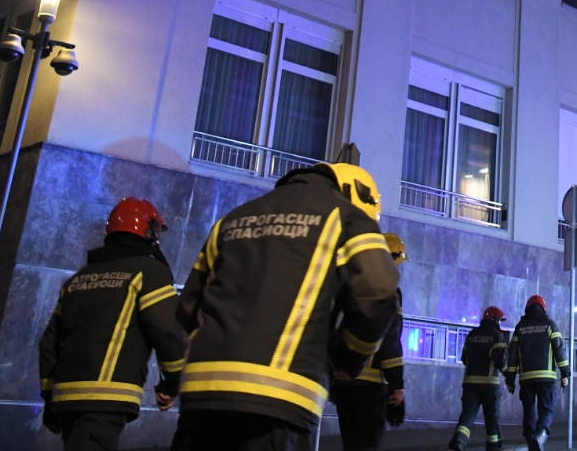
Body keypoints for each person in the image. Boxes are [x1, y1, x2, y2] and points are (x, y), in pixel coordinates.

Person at [173, 161, 400, 451]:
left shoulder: (232, 219)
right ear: (356, 194)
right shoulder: (347, 218)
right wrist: (348, 359)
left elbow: (188, 307)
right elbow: (378, 292)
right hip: (277, 394)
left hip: (202, 392)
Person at [38, 198, 189, 450]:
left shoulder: (78, 279)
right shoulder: (148, 271)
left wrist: (49, 400)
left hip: (66, 398)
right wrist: (172, 384)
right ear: (148, 231)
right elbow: (167, 330)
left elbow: (49, 344)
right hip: (104, 397)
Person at [327, 232, 407, 451]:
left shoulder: (349, 285)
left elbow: (332, 327)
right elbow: (389, 338)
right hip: (370, 386)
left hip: (344, 381)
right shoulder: (387, 290)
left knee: (350, 445)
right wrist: (397, 385)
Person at [503, 296, 568, 451]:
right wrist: (565, 373)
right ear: (543, 308)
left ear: (528, 308)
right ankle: (541, 436)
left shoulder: (520, 327)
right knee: (546, 410)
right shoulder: (550, 325)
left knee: (529, 413)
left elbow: (512, 356)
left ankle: (532, 443)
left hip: (526, 379)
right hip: (546, 378)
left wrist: (510, 379)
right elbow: (559, 350)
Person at [449, 307, 509, 451]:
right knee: (492, 419)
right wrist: (509, 373)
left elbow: (464, 358)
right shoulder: (497, 335)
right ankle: (493, 447)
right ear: (494, 319)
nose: (499, 323)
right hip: (489, 385)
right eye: (499, 321)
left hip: (470, 384)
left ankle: (459, 441)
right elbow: (501, 361)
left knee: (468, 415)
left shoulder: (472, 335)